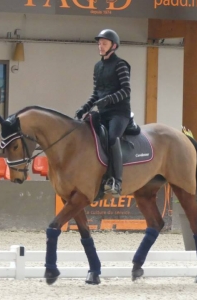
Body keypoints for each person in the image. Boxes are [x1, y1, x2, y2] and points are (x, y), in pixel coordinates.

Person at [75, 29, 131, 197]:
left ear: (113, 46)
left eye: (104, 43)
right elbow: (96, 93)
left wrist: (108, 100)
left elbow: (126, 90)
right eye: (99, 43)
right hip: (103, 112)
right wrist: (84, 108)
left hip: (119, 113)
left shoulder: (121, 64)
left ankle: (117, 181)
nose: (100, 46)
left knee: (112, 137)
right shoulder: (97, 66)